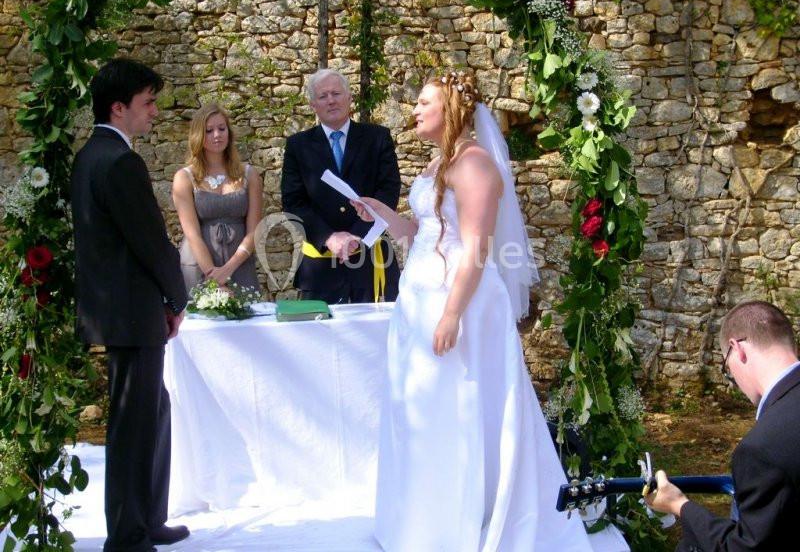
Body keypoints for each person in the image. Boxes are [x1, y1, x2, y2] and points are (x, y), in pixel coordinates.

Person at [354, 72, 593, 550]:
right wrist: (381, 211)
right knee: (419, 407)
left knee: (458, 405)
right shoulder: (436, 163)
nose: (415, 110)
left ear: (452, 109)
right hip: (419, 299)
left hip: (459, 303)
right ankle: (419, 518)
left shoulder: (475, 164)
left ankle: (461, 517)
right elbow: (418, 232)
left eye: (425, 102)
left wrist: (451, 314)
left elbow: (477, 249)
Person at [71, 58, 190, 551]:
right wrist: (177, 295)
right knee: (132, 423)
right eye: (147, 103)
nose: (155, 113)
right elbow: (150, 241)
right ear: (118, 108)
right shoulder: (120, 161)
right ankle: (127, 534)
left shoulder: (89, 155)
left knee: (151, 411)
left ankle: (148, 517)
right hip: (131, 308)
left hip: (117, 307)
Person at [646, 300, 800, 551]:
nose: (734, 382)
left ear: (736, 349)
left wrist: (679, 506)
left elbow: (743, 547)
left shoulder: (761, 450)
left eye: (727, 369)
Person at [281, 68, 401, 304]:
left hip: (370, 261)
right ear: (313, 104)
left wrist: (356, 234)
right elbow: (293, 202)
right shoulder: (298, 146)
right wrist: (329, 237)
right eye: (323, 96)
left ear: (349, 98)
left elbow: (388, 192)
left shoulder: (377, 138)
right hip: (320, 268)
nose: (331, 100)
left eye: (336, 93)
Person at [172, 103, 263, 295]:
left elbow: (254, 231)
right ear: (198, 135)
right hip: (200, 265)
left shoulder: (249, 175)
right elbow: (192, 233)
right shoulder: (184, 178)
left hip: (239, 263)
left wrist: (229, 269)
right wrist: (214, 277)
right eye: (209, 130)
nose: (217, 135)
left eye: (222, 129)